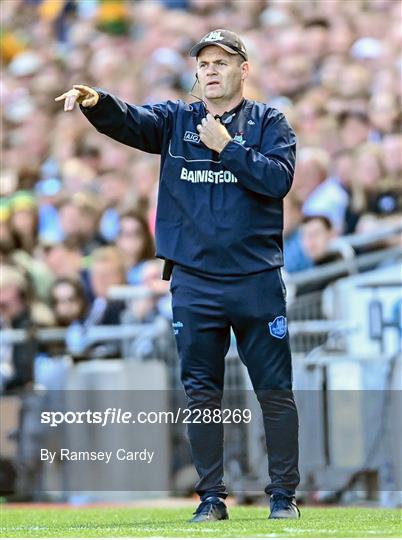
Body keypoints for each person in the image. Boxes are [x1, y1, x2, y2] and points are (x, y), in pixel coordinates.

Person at [55, 29, 300, 521]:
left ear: (243, 70)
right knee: (201, 394)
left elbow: (279, 180)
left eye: (221, 62)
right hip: (195, 282)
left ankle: (283, 496)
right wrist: (98, 101)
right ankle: (211, 498)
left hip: (255, 279)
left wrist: (228, 147)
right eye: (204, 63)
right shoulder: (177, 118)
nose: (210, 70)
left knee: (274, 391)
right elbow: (132, 122)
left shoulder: (270, 121)